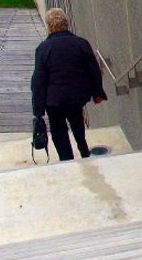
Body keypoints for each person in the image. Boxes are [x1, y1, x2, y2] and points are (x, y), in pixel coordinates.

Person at [31, 8, 107, 161]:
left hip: (54, 101)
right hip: (76, 97)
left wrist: (38, 111)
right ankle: (84, 152)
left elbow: (38, 82)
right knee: (77, 123)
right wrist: (97, 93)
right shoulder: (80, 43)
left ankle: (67, 160)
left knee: (59, 133)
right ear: (66, 23)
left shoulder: (43, 49)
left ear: (49, 26)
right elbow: (93, 69)